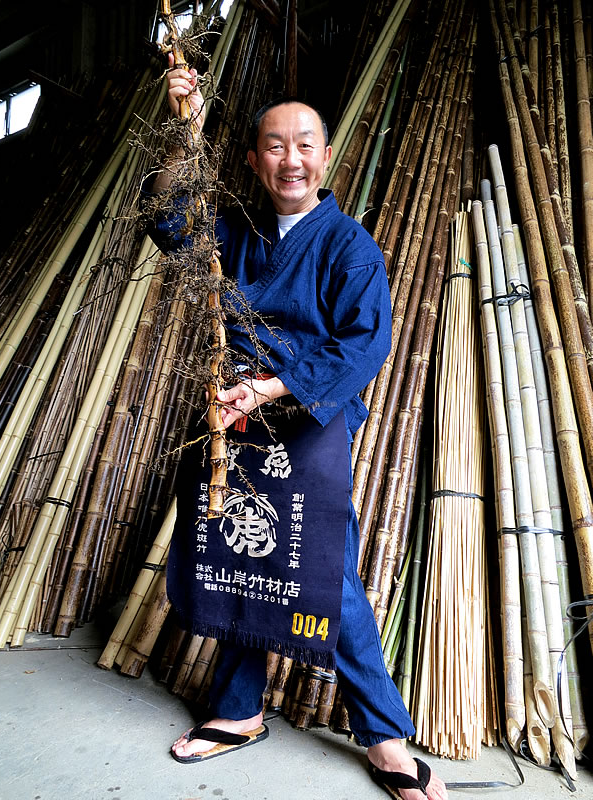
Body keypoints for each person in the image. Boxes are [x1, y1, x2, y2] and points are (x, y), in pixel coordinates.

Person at [148, 57, 448, 800]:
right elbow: (168, 224)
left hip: (308, 418)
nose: (292, 159)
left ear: (324, 156)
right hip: (235, 419)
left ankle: (384, 736)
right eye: (275, 145)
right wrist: (182, 136)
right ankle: (239, 710)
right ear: (253, 159)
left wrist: (273, 384)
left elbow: (364, 340)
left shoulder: (348, 245)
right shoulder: (237, 231)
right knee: (247, 555)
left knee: (322, 571)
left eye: (305, 144)